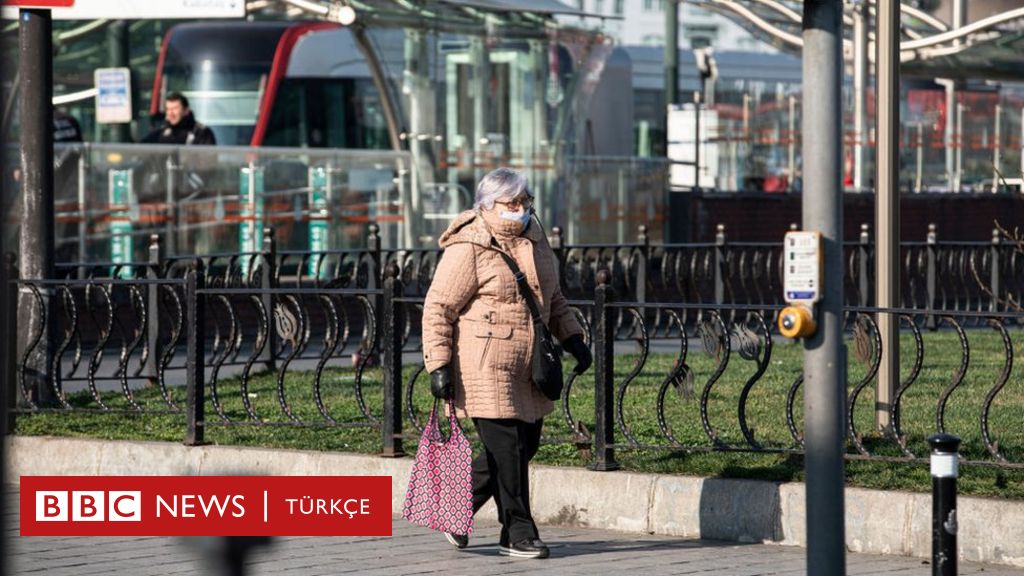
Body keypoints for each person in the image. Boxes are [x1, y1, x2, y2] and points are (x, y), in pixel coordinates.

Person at [421, 167, 592, 560]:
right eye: (511, 203)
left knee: (524, 446)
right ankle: (517, 532)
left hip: (529, 365)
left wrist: (573, 338)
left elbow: (554, 299)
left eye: (525, 201)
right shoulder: (470, 245)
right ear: (487, 205)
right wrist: (439, 364)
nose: (520, 209)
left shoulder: (535, 239)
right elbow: (438, 308)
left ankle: (458, 505)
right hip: (484, 364)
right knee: (509, 448)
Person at [142, 92, 216, 145]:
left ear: (186, 111)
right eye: (168, 109)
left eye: (175, 109)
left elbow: (207, 163)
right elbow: (140, 150)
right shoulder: (160, 133)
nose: (171, 113)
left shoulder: (201, 133)